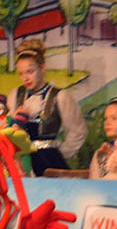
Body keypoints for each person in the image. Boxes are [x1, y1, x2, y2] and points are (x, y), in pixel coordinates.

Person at [9, 39, 88, 176]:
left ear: (42, 67)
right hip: (22, 163)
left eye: (30, 71)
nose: (25, 78)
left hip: (48, 162)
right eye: (21, 73)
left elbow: (78, 131)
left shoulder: (60, 96)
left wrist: (59, 151)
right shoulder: (15, 95)